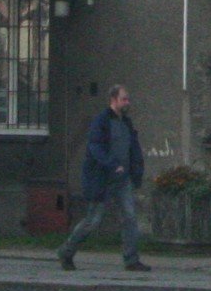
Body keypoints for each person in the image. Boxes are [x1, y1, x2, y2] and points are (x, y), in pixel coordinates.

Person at [58, 84, 150, 271]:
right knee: (93, 220)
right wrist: (112, 164)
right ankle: (66, 251)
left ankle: (131, 259)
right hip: (102, 179)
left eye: (128, 99)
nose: (127, 102)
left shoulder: (126, 122)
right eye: (124, 99)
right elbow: (95, 148)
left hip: (122, 179)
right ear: (113, 99)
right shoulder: (101, 121)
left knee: (130, 217)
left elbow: (133, 148)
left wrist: (135, 170)